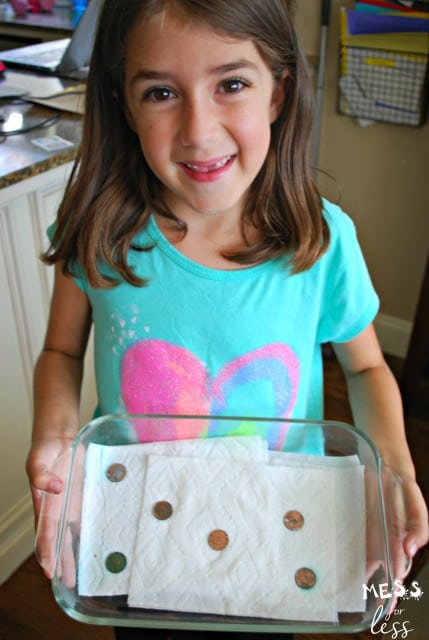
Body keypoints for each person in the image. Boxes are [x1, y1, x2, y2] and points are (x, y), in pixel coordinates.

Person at [26, 1, 428, 639]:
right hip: (139, 530)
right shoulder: (98, 232)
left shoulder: (320, 242)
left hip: (276, 530)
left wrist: (395, 471)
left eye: (232, 84)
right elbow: (62, 353)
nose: (198, 130)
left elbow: (368, 364)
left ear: (278, 92)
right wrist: (55, 439)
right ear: (124, 105)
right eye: (160, 92)